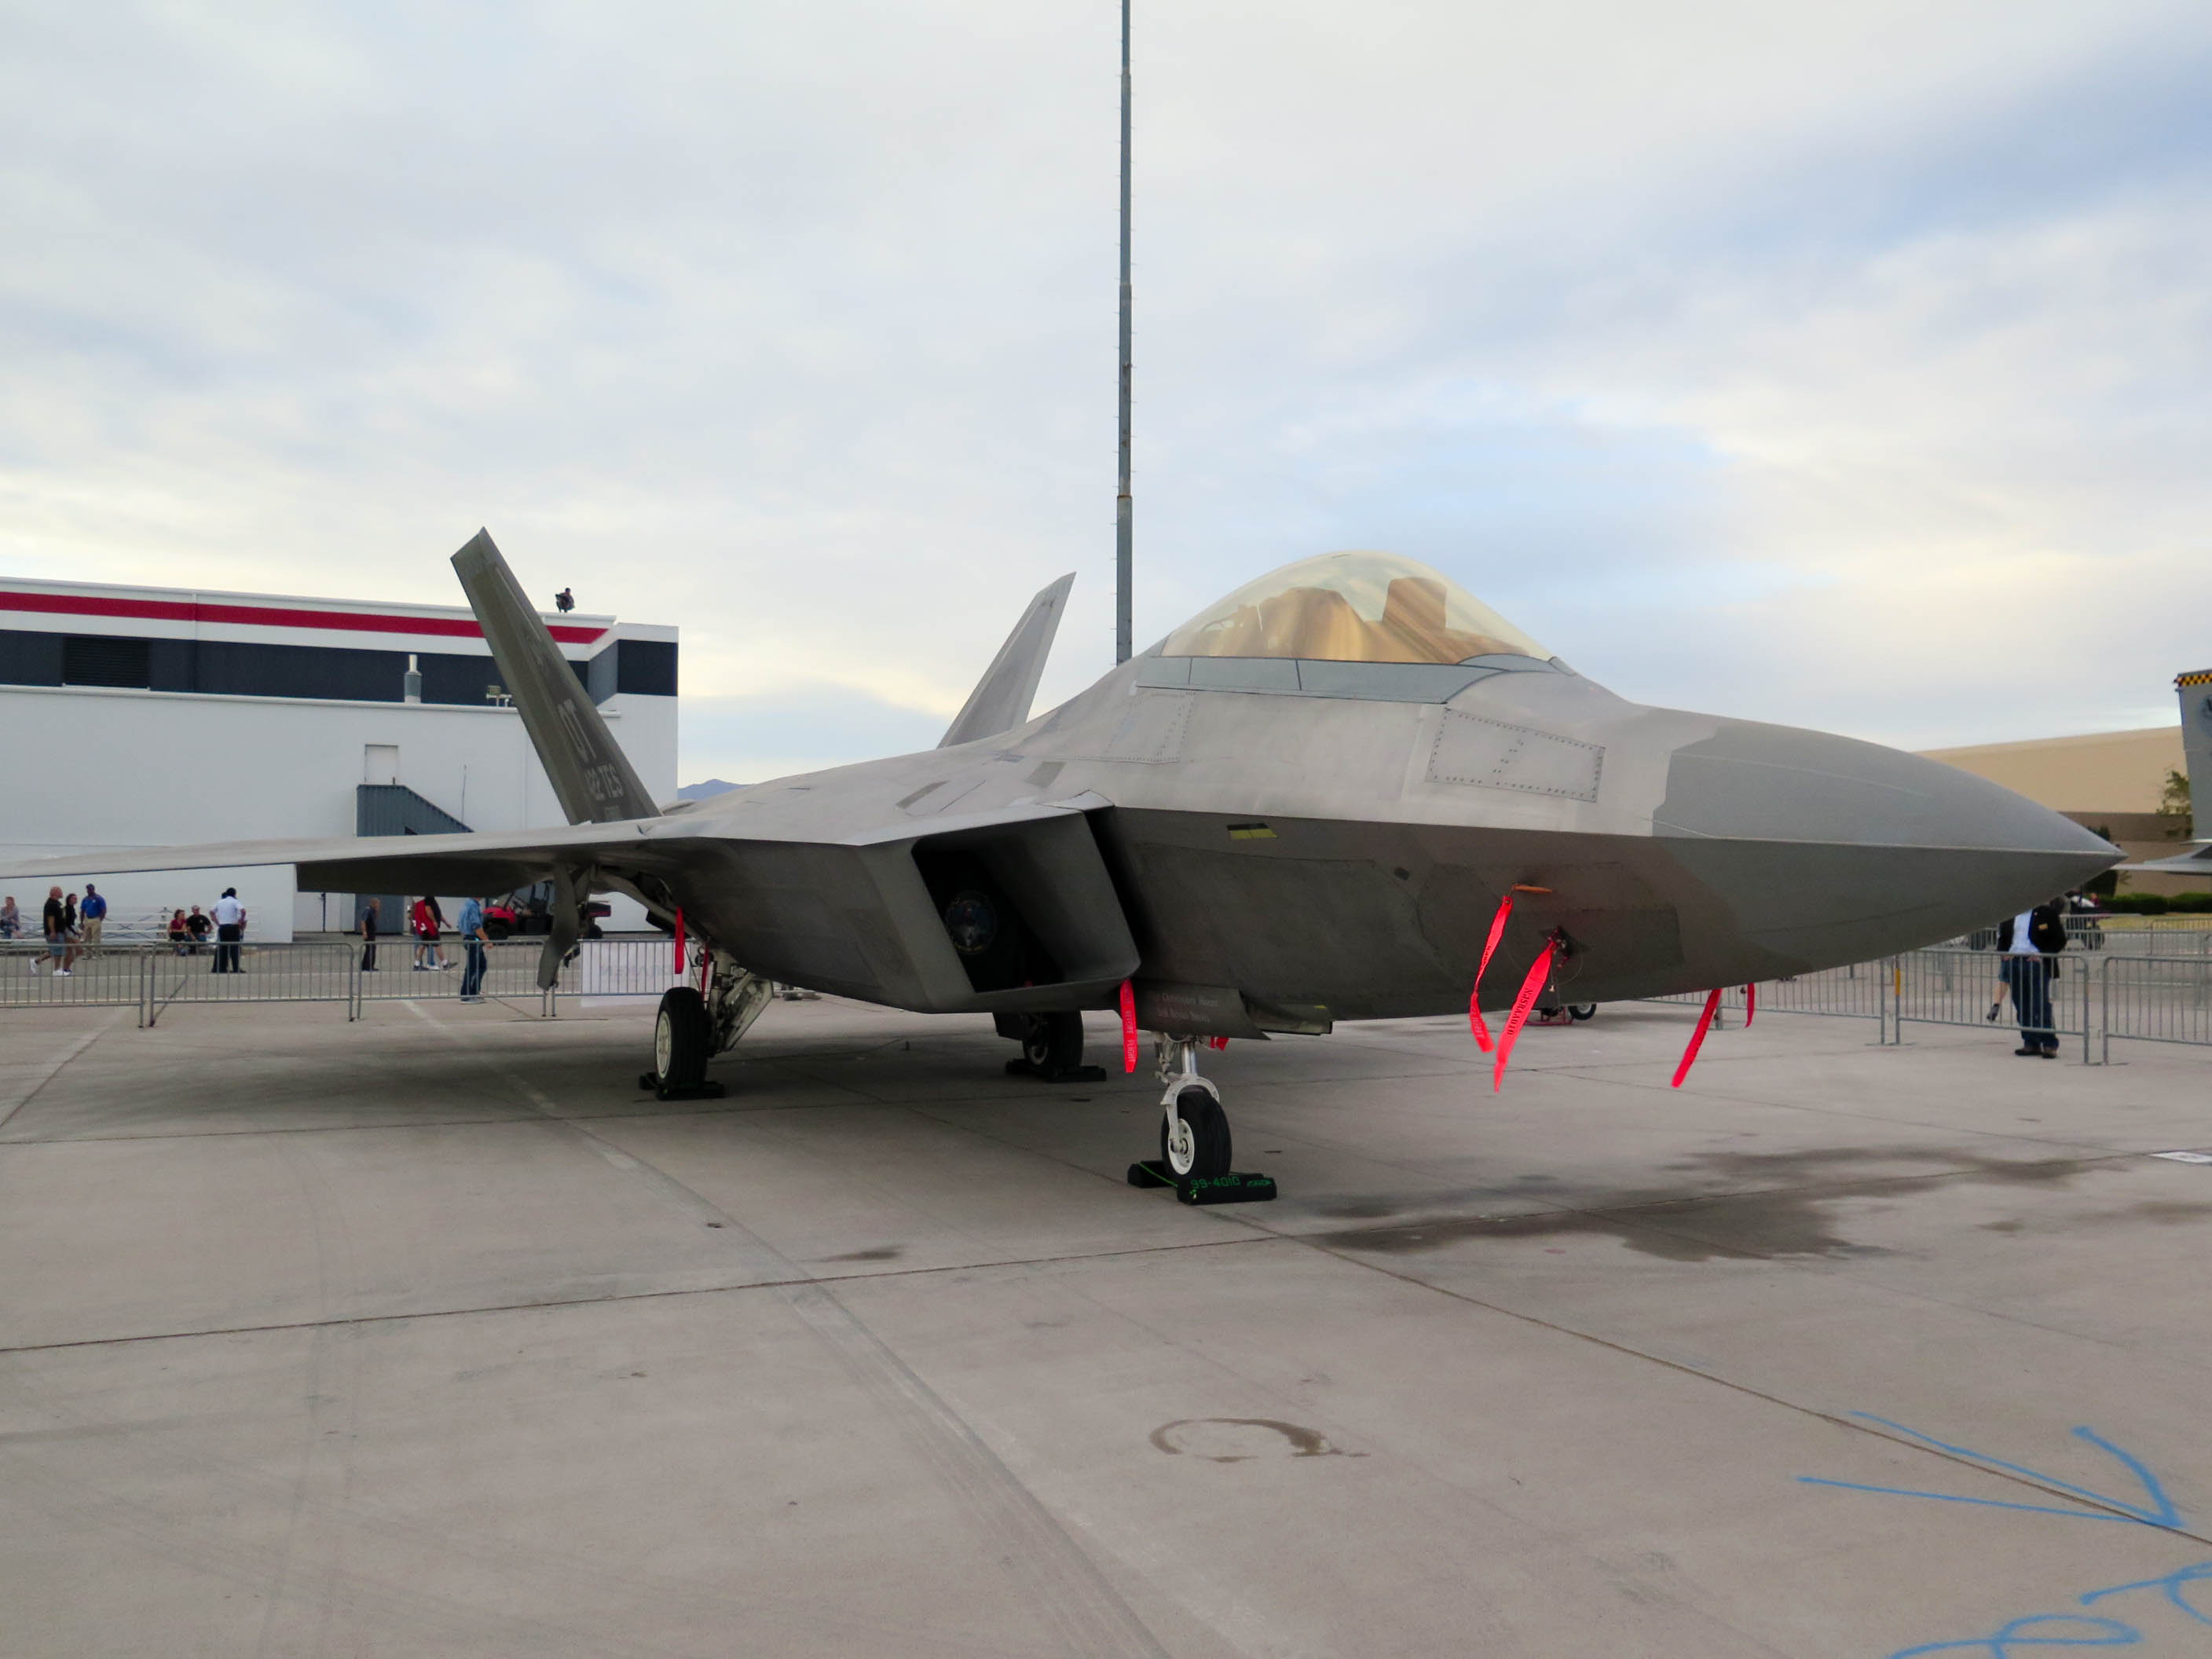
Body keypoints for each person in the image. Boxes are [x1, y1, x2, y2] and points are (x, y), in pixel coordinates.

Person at [1997, 897, 2068, 1057]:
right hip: (2014, 961)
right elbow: (2003, 938)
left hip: (2036, 963)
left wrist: (2042, 954)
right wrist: (2004, 954)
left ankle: (2049, 1043)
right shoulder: (2009, 914)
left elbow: (2059, 939)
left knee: (2040, 1004)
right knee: (2021, 1003)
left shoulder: (2046, 913)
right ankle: (2030, 1041)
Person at [457, 894, 486, 1002]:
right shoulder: (473, 906)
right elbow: (476, 925)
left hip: (469, 937)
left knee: (480, 965)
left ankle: (474, 991)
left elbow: (459, 925)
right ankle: (466, 994)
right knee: (473, 967)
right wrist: (486, 940)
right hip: (473, 938)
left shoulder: (466, 905)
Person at [41, 886, 75, 976]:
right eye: (60, 891)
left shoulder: (58, 903)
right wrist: (52, 931)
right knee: (57, 950)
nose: (62, 893)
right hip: (55, 932)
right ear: (55, 893)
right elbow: (50, 919)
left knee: (58, 950)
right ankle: (56, 969)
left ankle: (38, 962)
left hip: (60, 931)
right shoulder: (51, 904)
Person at [211, 887, 246, 974]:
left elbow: (211, 912)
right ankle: (236, 968)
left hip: (222, 927)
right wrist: (241, 921)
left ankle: (222, 968)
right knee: (234, 948)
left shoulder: (220, 902)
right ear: (234, 894)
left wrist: (217, 922)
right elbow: (243, 911)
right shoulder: (235, 901)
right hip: (233, 926)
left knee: (223, 948)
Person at [78, 884, 106, 954]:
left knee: (96, 938)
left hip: (96, 919)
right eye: (88, 889)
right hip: (87, 919)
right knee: (86, 938)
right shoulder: (85, 899)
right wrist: (81, 922)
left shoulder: (99, 898)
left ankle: (98, 954)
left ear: (93, 889)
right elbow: (82, 911)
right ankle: (88, 954)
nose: (89, 891)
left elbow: (104, 910)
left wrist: (100, 919)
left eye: (90, 889)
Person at [360, 898, 380, 972]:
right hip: (368, 933)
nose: (378, 905)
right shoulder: (368, 910)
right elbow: (363, 922)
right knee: (370, 949)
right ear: (374, 903)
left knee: (371, 949)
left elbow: (376, 918)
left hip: (372, 932)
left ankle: (368, 966)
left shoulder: (373, 910)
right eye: (378, 904)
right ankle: (368, 966)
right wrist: (364, 932)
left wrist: (377, 910)